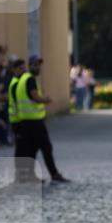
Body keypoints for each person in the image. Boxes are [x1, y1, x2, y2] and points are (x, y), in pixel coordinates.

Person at [15, 54, 70, 183]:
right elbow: (35, 97)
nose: (38, 67)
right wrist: (45, 100)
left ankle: (29, 176)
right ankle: (54, 173)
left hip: (27, 120)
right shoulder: (29, 79)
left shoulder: (24, 79)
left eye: (39, 65)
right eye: (35, 65)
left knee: (32, 149)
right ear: (30, 66)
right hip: (33, 121)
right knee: (46, 147)